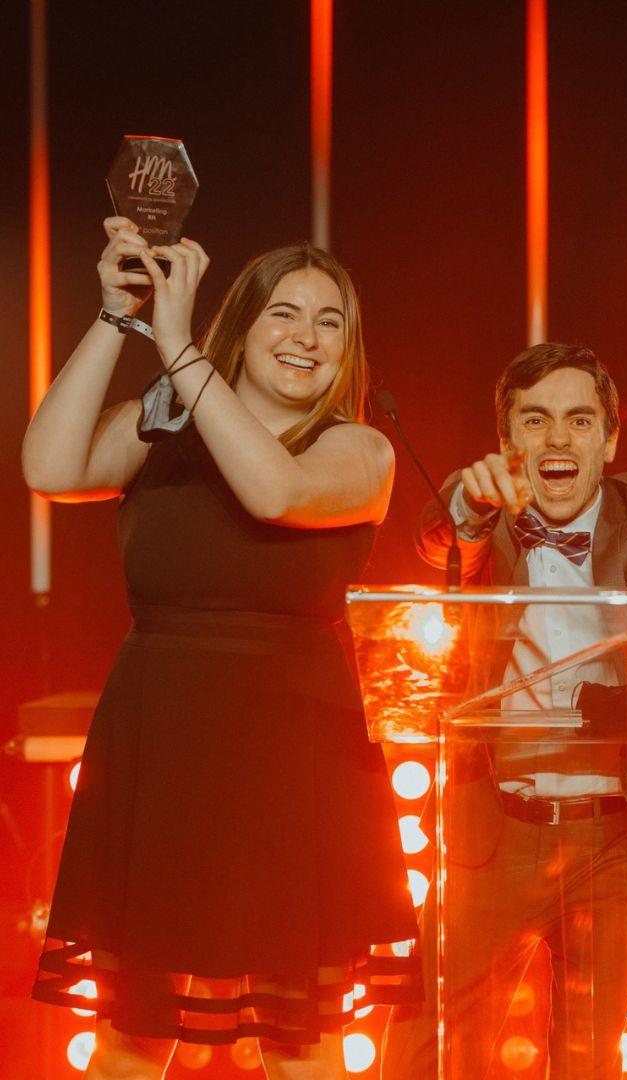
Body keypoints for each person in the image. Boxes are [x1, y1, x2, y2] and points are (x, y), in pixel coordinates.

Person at [23, 217, 420, 1079]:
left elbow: (275, 493)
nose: (305, 337)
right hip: (161, 751)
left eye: (330, 321)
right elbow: (50, 469)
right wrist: (118, 319)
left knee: (301, 1044)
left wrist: (177, 345)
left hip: (295, 763)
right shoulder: (163, 426)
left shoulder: (358, 449)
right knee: (133, 1036)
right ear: (242, 323)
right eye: (284, 313)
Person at [381, 340, 627, 1078]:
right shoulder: (486, 511)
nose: (557, 438)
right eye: (535, 421)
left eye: (579, 420)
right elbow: (435, 535)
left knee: (590, 1060)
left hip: (612, 838)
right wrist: (469, 500)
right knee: (428, 1055)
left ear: (609, 438)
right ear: (507, 441)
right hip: (490, 829)